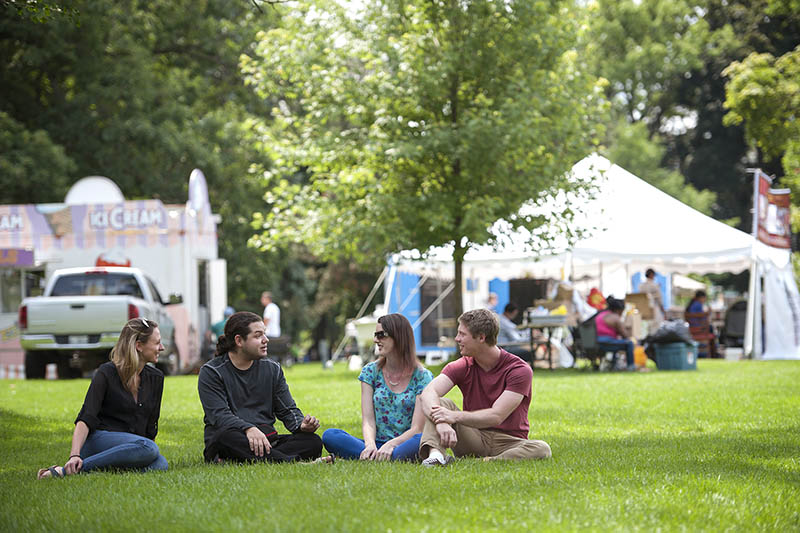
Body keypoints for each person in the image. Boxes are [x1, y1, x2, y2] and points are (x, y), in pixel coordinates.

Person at [36, 318, 168, 479]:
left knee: (160, 463)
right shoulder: (106, 373)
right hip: (99, 441)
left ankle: (98, 470)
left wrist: (141, 456)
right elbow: (86, 417)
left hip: (134, 445)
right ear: (139, 346)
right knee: (149, 448)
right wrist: (74, 455)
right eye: (157, 343)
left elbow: (150, 427)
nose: (161, 348)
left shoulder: (156, 378)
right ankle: (65, 471)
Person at [418, 309, 551, 466]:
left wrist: (454, 416)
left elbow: (496, 415)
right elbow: (428, 392)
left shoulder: (519, 370)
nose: (456, 339)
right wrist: (441, 422)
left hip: (509, 442)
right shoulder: (463, 365)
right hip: (473, 436)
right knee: (441, 403)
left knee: (542, 449)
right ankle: (436, 457)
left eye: (462, 334)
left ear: (481, 337)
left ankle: (485, 462)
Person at [198, 311, 330, 463]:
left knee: (312, 441)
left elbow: (288, 410)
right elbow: (220, 416)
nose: (265, 340)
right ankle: (295, 463)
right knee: (226, 437)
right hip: (232, 438)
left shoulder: (273, 369)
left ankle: (262, 458)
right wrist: (248, 428)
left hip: (267, 440)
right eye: (258, 335)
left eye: (264, 334)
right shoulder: (212, 372)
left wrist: (302, 425)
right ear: (239, 341)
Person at [322, 314, 433, 461]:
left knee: (421, 440)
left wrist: (391, 444)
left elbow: (417, 428)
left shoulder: (422, 376)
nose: (375, 340)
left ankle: (374, 457)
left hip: (405, 443)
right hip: (376, 443)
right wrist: (369, 445)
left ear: (398, 336)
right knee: (330, 436)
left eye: (381, 335)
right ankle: (377, 455)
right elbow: (368, 420)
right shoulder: (370, 372)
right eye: (376, 335)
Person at [595, 296, 636, 370]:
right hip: (606, 342)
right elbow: (625, 335)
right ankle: (631, 366)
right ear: (619, 310)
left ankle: (613, 365)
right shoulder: (615, 317)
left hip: (595, 342)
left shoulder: (600, 315)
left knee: (617, 342)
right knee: (629, 343)